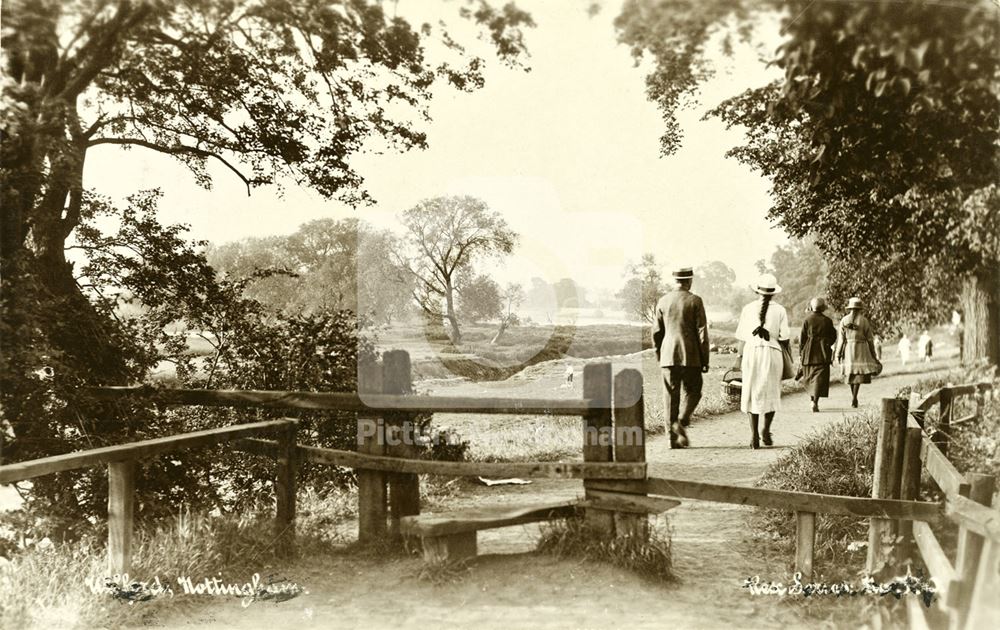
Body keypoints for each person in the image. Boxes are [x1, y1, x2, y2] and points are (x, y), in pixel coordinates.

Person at [653, 266, 710, 449]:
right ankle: (682, 420)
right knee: (694, 391)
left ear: (675, 281)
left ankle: (672, 439)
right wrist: (705, 359)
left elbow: (656, 333)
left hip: (668, 355)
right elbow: (702, 333)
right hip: (691, 355)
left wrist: (659, 356)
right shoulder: (695, 301)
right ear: (690, 281)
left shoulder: (663, 301)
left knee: (670, 396)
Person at [734, 273, 790, 449]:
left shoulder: (748, 308)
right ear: (774, 292)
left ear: (757, 291)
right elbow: (785, 336)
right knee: (771, 390)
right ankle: (765, 430)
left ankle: (753, 436)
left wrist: (738, 358)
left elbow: (742, 337)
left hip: (752, 352)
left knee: (752, 391)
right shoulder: (780, 310)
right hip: (773, 352)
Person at [835, 297, 881, 408]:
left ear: (850, 308)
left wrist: (838, 354)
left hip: (848, 349)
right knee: (858, 375)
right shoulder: (864, 321)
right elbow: (870, 339)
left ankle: (854, 397)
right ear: (860, 308)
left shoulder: (844, 320)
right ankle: (854, 397)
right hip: (861, 349)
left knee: (851, 374)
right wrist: (874, 355)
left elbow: (841, 340)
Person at [799, 298, 837, 412]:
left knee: (810, 376)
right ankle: (815, 401)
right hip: (823, 352)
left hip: (809, 352)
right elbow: (833, 336)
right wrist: (826, 343)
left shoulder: (807, 320)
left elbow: (802, 338)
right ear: (823, 308)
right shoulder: (827, 321)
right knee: (820, 379)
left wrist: (801, 353)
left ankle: (812, 400)